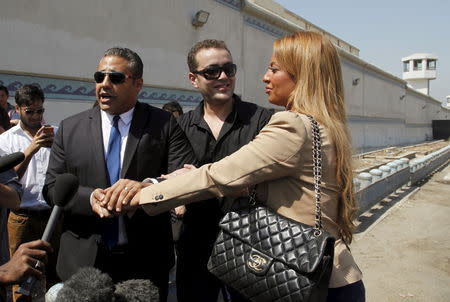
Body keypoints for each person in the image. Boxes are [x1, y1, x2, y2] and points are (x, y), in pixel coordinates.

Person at [105, 32, 365, 301]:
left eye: (274, 69)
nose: (265, 77)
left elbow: (219, 176)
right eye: (212, 71)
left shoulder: (291, 126)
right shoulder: (322, 125)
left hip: (303, 277)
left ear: (302, 74)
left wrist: (143, 192)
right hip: (321, 274)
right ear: (194, 79)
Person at [43, 47, 196, 301]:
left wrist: (147, 187)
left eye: (115, 78)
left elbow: (187, 175)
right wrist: (91, 199)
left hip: (144, 260)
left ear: (138, 84)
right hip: (82, 262)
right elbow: (51, 187)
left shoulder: (163, 124)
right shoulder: (70, 128)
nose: (104, 84)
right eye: (99, 77)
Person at [169, 39, 272, 302]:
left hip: (252, 245)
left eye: (230, 69)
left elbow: (268, 182)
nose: (224, 76)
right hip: (195, 248)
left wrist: (199, 180)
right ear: (194, 78)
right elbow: (175, 185)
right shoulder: (181, 127)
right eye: (212, 71)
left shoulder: (263, 120)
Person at [0, 84, 57, 302]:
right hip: (21, 218)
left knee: (52, 272)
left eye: (40, 110)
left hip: (52, 215)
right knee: (18, 277)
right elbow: (8, 180)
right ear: (17, 109)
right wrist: (30, 150)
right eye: (29, 111)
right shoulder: (6, 140)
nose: (35, 116)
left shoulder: (56, 133)